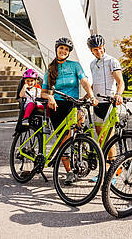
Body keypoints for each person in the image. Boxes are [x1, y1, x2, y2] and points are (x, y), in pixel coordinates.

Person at [41, 37, 98, 184]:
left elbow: (84, 81)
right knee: (63, 140)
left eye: (66, 49)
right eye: (61, 48)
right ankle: (69, 172)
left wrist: (91, 96)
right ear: (57, 50)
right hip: (57, 106)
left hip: (72, 104)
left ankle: (82, 151)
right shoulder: (50, 69)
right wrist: (50, 98)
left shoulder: (75, 66)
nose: (63, 51)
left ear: (68, 52)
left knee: (79, 129)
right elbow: (43, 92)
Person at [87, 34, 124, 138]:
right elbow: (95, 84)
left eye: (100, 48)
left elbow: (120, 82)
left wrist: (118, 94)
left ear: (104, 46)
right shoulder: (92, 64)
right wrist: (86, 97)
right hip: (97, 105)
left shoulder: (112, 61)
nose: (99, 52)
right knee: (100, 139)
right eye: (95, 50)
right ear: (91, 50)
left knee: (109, 140)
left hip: (109, 104)